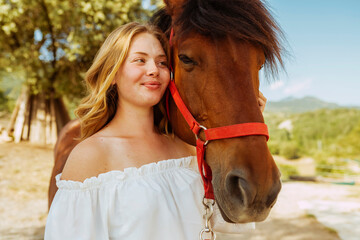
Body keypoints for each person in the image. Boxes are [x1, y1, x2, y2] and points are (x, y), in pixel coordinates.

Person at [44, 22, 267, 239]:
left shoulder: (187, 149)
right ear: (112, 74)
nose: (153, 70)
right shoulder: (91, 155)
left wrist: (249, 119)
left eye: (161, 63)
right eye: (140, 60)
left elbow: (233, 218)